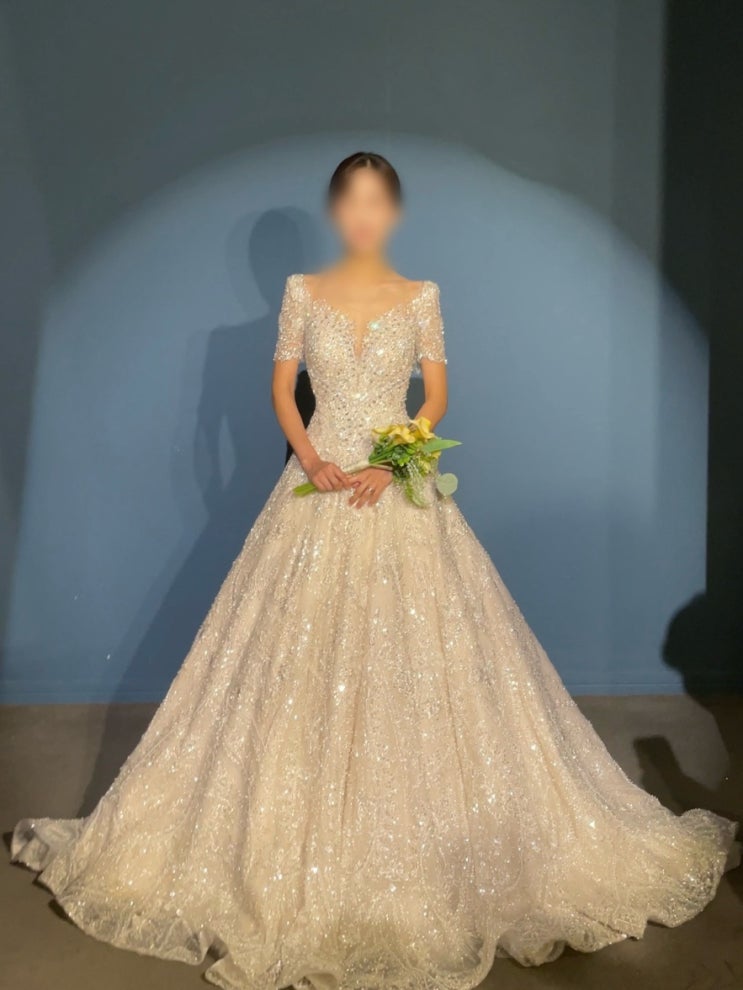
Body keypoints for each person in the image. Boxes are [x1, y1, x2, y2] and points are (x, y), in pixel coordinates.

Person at [11, 152, 738, 990]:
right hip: (318, 483)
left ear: (392, 212)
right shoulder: (301, 292)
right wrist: (312, 458)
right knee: (288, 662)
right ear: (336, 210)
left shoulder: (421, 295)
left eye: (375, 201)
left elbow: (435, 397)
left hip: (393, 481)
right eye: (349, 201)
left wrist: (393, 463)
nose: (362, 214)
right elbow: (280, 392)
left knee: (427, 656)